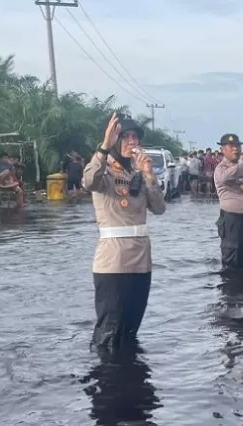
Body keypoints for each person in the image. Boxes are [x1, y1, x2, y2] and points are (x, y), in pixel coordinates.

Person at [82, 112, 166, 353]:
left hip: (141, 261)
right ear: (115, 141)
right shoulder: (105, 170)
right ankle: (107, 381)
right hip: (114, 262)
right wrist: (104, 146)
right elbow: (88, 181)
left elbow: (159, 208)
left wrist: (149, 175)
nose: (133, 142)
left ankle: (132, 382)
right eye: (126, 137)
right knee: (110, 331)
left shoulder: (137, 173)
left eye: (135, 137)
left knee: (131, 328)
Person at [214, 133, 243, 269]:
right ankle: (232, 288)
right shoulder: (221, 169)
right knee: (232, 260)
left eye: (238, 146)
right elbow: (225, 178)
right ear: (223, 149)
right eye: (231, 146)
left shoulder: (240, 170)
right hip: (232, 220)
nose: (236, 149)